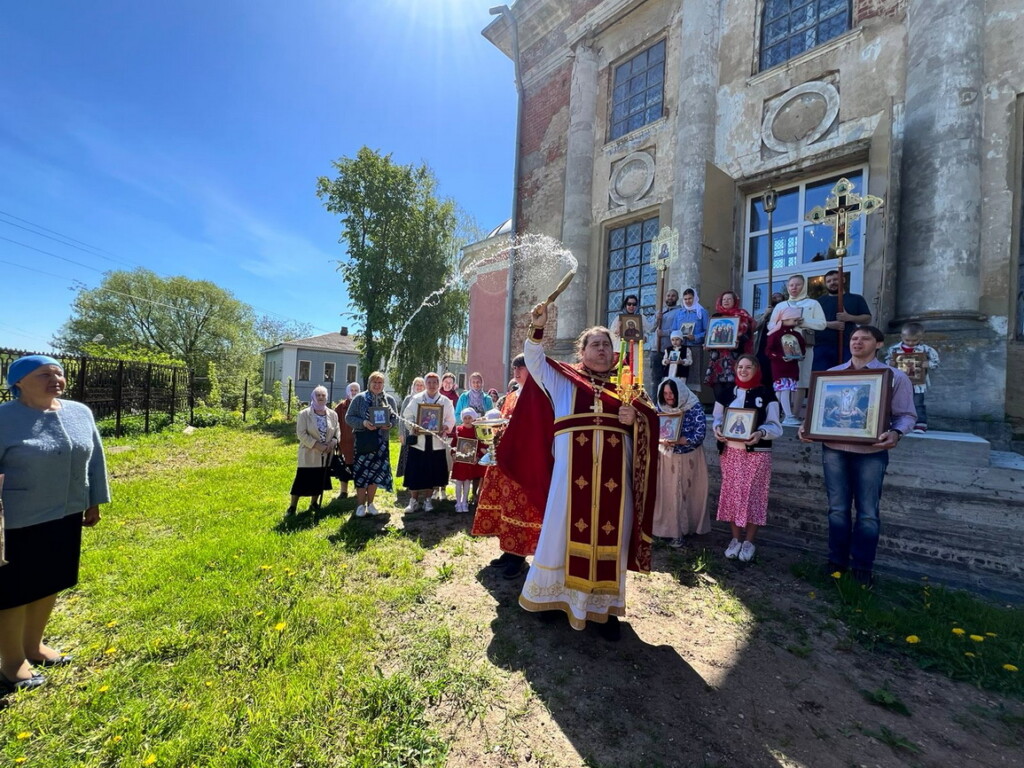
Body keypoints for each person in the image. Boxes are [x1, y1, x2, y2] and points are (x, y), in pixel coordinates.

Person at [516, 301, 659, 640]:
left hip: (614, 484)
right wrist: (537, 326)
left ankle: (602, 610)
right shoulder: (565, 380)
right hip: (570, 481)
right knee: (559, 534)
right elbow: (534, 361)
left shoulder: (629, 389)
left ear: (614, 352)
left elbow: (652, 424)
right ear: (580, 351)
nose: (601, 348)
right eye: (594, 343)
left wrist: (635, 418)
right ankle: (551, 600)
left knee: (612, 536)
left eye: (607, 344)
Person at [0, 355, 110, 693]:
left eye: (59, 373)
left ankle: (34, 646)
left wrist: (94, 499)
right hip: (16, 519)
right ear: (18, 382)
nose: (56, 379)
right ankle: (11, 662)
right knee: (13, 591)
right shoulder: (4, 418)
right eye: (45, 374)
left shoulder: (79, 412)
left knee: (49, 581)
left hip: (65, 514)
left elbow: (95, 459)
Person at [800, 326, 917, 586]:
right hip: (834, 451)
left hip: (871, 453)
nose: (857, 342)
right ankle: (836, 562)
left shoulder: (894, 377)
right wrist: (807, 428)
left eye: (865, 338)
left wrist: (896, 433)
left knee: (867, 512)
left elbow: (907, 415)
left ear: (878, 344)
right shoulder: (831, 376)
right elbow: (818, 412)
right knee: (837, 509)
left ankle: (863, 567)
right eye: (854, 338)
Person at [471, 354, 550, 580]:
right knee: (505, 507)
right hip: (504, 462)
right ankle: (508, 551)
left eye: (521, 368)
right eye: (515, 368)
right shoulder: (512, 396)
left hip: (525, 464)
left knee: (520, 509)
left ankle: (519, 557)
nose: (516, 372)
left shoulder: (540, 396)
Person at [712, 355, 783, 563]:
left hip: (757, 453)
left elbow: (775, 425)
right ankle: (735, 539)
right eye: (740, 367)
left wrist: (761, 433)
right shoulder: (725, 394)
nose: (743, 370)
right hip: (731, 453)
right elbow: (717, 418)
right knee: (733, 495)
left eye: (748, 367)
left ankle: (749, 541)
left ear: (756, 369)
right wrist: (717, 429)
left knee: (754, 496)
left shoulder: (767, 394)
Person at [653, 378, 709, 548]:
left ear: (680, 393)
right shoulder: (661, 408)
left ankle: (683, 531)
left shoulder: (693, 407)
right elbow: (656, 428)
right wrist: (662, 439)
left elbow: (699, 434)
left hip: (689, 457)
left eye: (672, 393)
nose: (669, 397)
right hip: (666, 456)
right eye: (665, 393)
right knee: (668, 494)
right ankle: (666, 530)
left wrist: (682, 441)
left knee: (684, 493)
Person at [768, 275, 827, 417]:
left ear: (804, 286)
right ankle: (783, 413)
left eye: (798, 285)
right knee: (782, 379)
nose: (794, 288)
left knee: (801, 379)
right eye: (791, 285)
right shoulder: (781, 306)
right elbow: (771, 325)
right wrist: (785, 323)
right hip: (782, 349)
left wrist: (804, 322)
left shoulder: (813, 304)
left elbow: (822, 324)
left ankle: (795, 413)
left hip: (804, 347)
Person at [346, 371, 398, 517]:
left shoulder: (389, 400)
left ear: (383, 385)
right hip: (363, 441)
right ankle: (360, 505)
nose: (377, 385)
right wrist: (363, 423)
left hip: (381, 443)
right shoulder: (359, 398)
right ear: (369, 384)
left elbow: (395, 418)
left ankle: (371, 503)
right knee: (362, 474)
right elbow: (348, 417)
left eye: (380, 382)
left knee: (375, 474)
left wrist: (390, 425)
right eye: (374, 382)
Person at [403, 372, 456, 513]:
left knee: (431, 472)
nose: (432, 385)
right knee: (415, 472)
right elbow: (407, 416)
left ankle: (427, 501)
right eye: (429, 382)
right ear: (425, 384)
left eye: (435, 382)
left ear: (439, 384)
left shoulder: (445, 401)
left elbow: (451, 419)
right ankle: (413, 501)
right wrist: (413, 426)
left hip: (436, 442)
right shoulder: (417, 399)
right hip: (419, 442)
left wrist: (444, 427)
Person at [288, 386, 340, 515]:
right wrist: (317, 445)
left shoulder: (332, 414)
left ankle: (314, 503)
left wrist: (333, 442)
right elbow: (301, 434)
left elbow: (337, 431)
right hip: (309, 453)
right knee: (301, 481)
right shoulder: (304, 414)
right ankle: (292, 507)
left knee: (319, 480)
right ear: (313, 397)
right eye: (318, 395)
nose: (321, 397)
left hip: (326, 454)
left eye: (323, 395)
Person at [885, 322, 940, 433]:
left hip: (918, 383)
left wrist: (927, 364)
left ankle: (920, 424)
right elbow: (887, 361)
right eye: (907, 340)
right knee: (896, 401)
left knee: (918, 403)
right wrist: (889, 363)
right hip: (898, 381)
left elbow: (936, 362)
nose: (910, 343)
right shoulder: (894, 349)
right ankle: (894, 423)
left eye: (914, 340)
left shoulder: (926, 350)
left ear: (921, 337)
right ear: (902, 337)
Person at [814, 269, 872, 370]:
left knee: (846, 375)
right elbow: (811, 321)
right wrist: (829, 324)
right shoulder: (818, 302)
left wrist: (849, 317)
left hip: (847, 345)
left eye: (835, 279)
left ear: (843, 280)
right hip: (822, 346)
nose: (832, 283)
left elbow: (867, 318)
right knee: (821, 376)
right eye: (829, 281)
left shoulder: (856, 299)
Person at [704, 290, 754, 405]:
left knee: (731, 382)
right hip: (717, 357)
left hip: (734, 355)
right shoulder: (716, 317)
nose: (726, 301)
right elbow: (711, 335)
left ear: (734, 301)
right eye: (723, 299)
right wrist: (707, 344)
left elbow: (747, 335)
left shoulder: (742, 315)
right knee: (717, 382)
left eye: (729, 299)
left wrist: (738, 341)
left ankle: (730, 408)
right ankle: (719, 409)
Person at [766, 306, 807, 426]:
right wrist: (779, 356)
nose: (796, 323)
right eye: (793, 320)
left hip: (792, 367)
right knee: (784, 390)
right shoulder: (775, 334)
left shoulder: (797, 335)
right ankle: (788, 415)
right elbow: (768, 351)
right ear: (784, 319)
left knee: (781, 392)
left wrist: (801, 355)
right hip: (780, 368)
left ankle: (774, 415)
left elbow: (801, 348)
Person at [450, 408, 485, 513]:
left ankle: (464, 502)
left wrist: (477, 457)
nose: (467, 420)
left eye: (469, 418)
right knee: (458, 482)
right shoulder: (458, 430)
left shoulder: (476, 431)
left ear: (473, 418)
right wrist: (453, 454)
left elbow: (480, 446)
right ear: (462, 419)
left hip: (470, 462)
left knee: (467, 482)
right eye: (465, 418)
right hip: (460, 462)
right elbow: (453, 445)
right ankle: (458, 502)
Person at [332, 382, 361, 498]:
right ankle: (343, 491)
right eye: (351, 390)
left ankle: (359, 490)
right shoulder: (341, 407)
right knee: (344, 467)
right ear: (348, 392)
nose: (353, 392)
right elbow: (334, 423)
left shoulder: (361, 405)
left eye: (356, 390)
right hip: (344, 443)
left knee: (358, 467)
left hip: (359, 443)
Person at [677, 287, 710, 386]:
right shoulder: (680, 313)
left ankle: (694, 399)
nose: (688, 301)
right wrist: (677, 337)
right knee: (681, 374)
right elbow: (674, 329)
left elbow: (707, 331)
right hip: (681, 347)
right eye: (685, 299)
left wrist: (695, 337)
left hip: (695, 347)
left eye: (690, 298)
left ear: (695, 298)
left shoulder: (702, 312)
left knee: (694, 375)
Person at [396, 377, 426, 480]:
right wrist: (401, 433)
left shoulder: (426, 399)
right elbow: (401, 417)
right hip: (408, 431)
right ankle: (409, 480)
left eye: (421, 385)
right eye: (417, 385)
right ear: (413, 386)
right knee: (408, 457)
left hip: (422, 433)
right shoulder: (408, 399)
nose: (419, 387)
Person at [754, 291, 786, 386]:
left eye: (779, 297)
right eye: (774, 297)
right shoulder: (761, 315)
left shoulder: (785, 315)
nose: (776, 299)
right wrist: (765, 314)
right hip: (762, 351)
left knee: (776, 377)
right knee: (762, 376)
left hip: (778, 351)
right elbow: (754, 327)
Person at [653, 288, 684, 383]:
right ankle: (656, 398)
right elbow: (651, 328)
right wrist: (657, 319)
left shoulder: (680, 312)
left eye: (673, 296)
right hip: (656, 349)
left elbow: (679, 330)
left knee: (670, 378)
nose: (670, 298)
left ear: (677, 298)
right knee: (656, 379)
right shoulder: (659, 311)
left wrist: (665, 333)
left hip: (670, 349)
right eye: (668, 295)